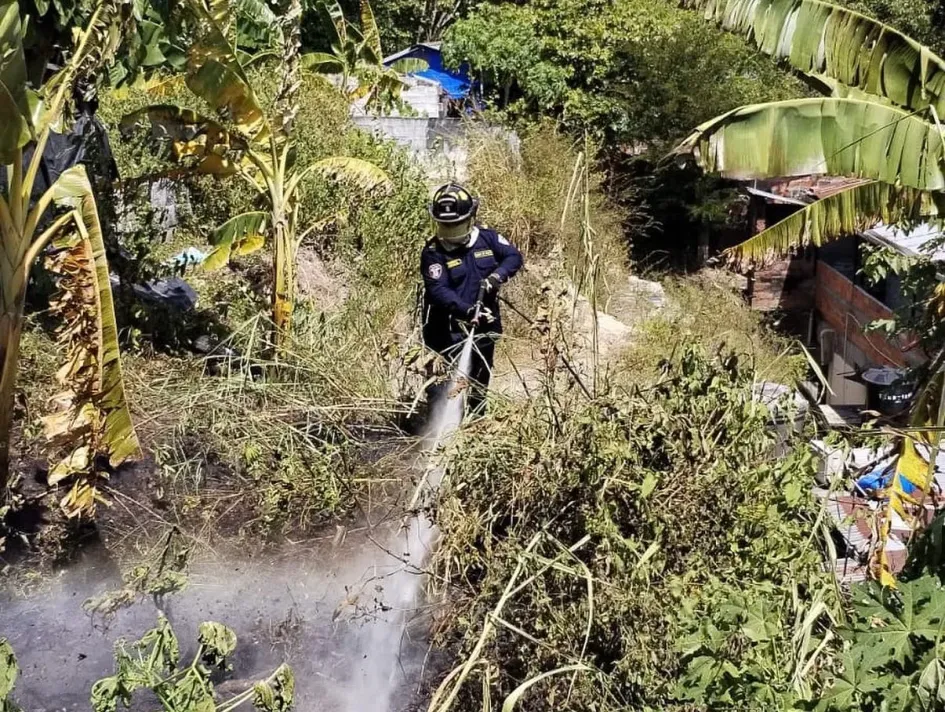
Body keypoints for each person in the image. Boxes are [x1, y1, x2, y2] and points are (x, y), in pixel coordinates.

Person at [420, 183, 523, 414]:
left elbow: (513, 256)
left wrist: (497, 276)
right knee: (442, 384)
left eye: (456, 225)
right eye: (446, 226)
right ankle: (437, 429)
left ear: (470, 218)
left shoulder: (487, 238)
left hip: (484, 324)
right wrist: (466, 311)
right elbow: (438, 290)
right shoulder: (433, 252)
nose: (451, 232)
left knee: (479, 378)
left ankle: (476, 422)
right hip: (445, 331)